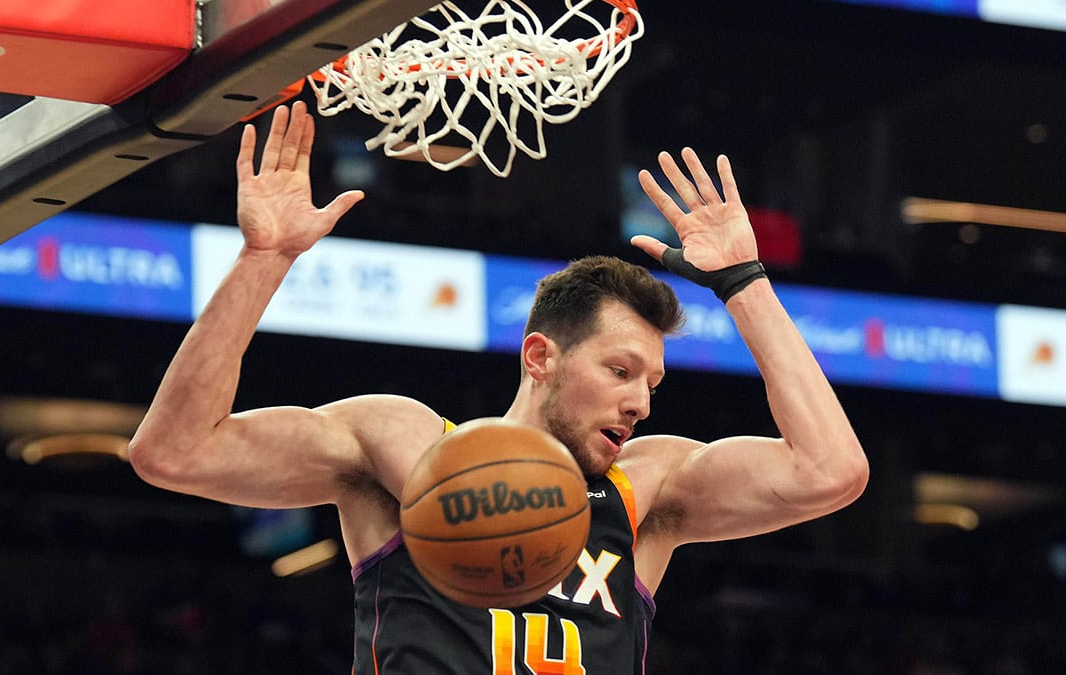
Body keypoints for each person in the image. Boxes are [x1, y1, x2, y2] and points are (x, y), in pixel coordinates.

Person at [128, 101, 869, 673]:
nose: (641, 400)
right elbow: (175, 451)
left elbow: (830, 470)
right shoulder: (408, 447)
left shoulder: (648, 488)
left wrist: (744, 284)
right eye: (619, 370)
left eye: (652, 381)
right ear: (540, 355)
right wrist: (264, 259)